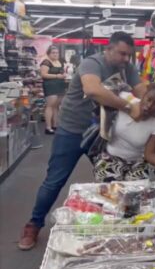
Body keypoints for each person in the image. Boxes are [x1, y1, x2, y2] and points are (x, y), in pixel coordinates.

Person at [18, 32, 147, 250]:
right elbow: (93, 89)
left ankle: (115, 226)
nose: (126, 58)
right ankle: (33, 225)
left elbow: (142, 89)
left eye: (129, 55)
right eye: (122, 53)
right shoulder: (92, 63)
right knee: (55, 180)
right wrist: (127, 106)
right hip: (72, 131)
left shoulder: (128, 68)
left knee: (112, 179)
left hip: (102, 134)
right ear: (109, 49)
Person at [94, 82, 155, 182]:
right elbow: (100, 91)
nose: (149, 105)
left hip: (137, 163)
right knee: (111, 187)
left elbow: (150, 154)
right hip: (110, 157)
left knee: (137, 190)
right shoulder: (125, 101)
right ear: (143, 96)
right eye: (149, 99)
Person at [40, 46, 66, 134]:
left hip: (60, 85)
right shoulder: (46, 62)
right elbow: (43, 74)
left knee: (56, 106)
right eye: (53, 53)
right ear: (49, 53)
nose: (55, 54)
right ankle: (48, 127)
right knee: (50, 106)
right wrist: (56, 76)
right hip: (50, 86)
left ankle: (55, 125)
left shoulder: (59, 62)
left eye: (57, 52)